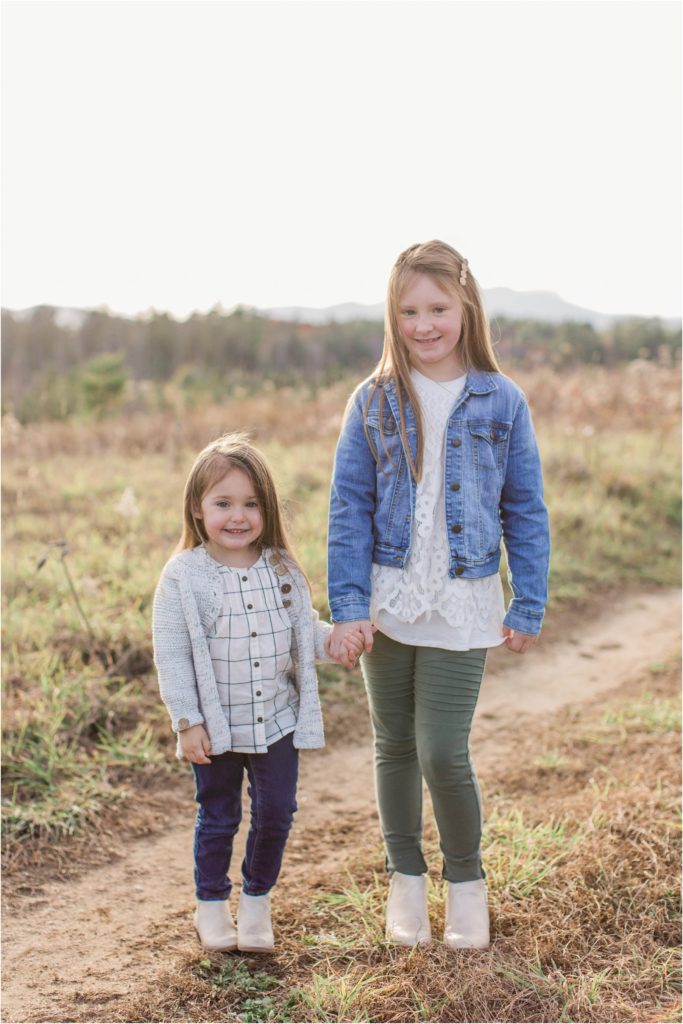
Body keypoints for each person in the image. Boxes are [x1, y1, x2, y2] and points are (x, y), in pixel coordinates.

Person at [326, 240, 550, 950]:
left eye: (437, 308)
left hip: (464, 597)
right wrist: (350, 604)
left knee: (443, 751)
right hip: (388, 596)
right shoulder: (372, 399)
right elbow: (347, 507)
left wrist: (527, 600)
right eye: (408, 311)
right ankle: (405, 885)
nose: (423, 324)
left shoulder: (500, 397)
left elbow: (526, 508)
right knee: (393, 746)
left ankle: (466, 884)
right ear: (392, 317)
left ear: (465, 307)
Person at [153, 433, 363, 954]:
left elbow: (301, 633)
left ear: (267, 509)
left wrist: (333, 640)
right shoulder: (184, 576)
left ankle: (256, 904)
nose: (238, 516)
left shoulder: (282, 569)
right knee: (219, 814)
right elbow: (173, 653)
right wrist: (187, 720)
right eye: (223, 503)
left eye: (250, 504)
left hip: (277, 721)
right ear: (198, 511)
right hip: (215, 726)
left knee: (276, 812)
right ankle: (210, 906)